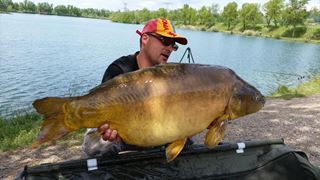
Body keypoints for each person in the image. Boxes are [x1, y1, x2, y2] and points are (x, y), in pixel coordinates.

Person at [82, 18, 189, 157]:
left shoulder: (170, 75)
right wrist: (106, 128)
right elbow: (101, 112)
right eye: (165, 41)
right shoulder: (119, 69)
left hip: (156, 131)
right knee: (94, 146)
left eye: (173, 45)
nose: (170, 49)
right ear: (145, 39)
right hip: (123, 133)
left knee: (185, 140)